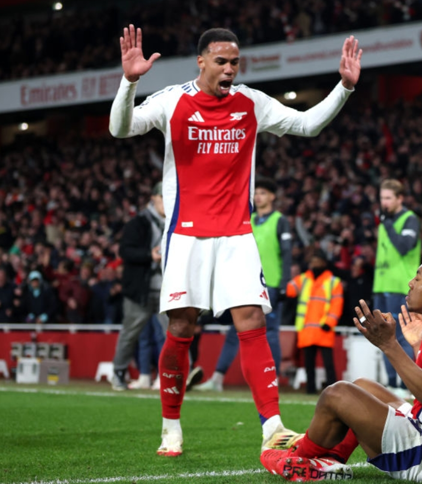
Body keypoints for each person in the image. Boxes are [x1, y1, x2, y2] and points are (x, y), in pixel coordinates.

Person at [109, 25, 361, 456]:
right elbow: (121, 128)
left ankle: (273, 426)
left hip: (236, 235)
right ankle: (171, 425)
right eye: (222, 61)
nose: (229, 69)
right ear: (202, 61)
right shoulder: (172, 100)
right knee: (182, 328)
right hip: (186, 237)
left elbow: (307, 125)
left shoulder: (251, 102)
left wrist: (344, 88)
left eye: (235, 63)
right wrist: (129, 82)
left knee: (251, 322)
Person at [260, 252, 422, 482]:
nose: (411, 283)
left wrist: (389, 345)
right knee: (363, 387)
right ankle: (330, 459)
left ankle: (298, 459)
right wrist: (418, 347)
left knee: (337, 394)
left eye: (419, 278)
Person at [195, 177, 293, 392]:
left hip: (271, 284)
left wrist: (285, 283)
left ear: (272, 197)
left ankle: (271, 381)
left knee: (271, 333)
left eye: (263, 193)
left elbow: (286, 254)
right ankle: (218, 379)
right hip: (246, 282)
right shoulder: (248, 219)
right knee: (235, 330)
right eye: (256, 193)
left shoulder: (279, 220)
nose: (258, 196)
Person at [110, 182, 169, 391]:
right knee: (130, 333)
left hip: (167, 290)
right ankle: (118, 372)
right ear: (153, 198)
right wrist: (149, 256)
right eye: (163, 196)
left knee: (175, 333)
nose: (166, 201)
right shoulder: (139, 223)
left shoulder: (177, 221)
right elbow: (125, 251)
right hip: (140, 290)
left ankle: (179, 375)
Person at [373, 178, 420, 396]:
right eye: (382, 198)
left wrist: (388, 224)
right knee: (383, 335)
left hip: (400, 286)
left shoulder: (409, 220)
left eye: (388, 198)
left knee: (401, 335)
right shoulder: (385, 221)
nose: (384, 202)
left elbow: (403, 247)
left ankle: (406, 384)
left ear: (400, 198)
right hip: (381, 285)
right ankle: (392, 384)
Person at [286, 250, 343, 394]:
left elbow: (337, 305)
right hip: (307, 330)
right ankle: (310, 390)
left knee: (328, 364)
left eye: (315, 260)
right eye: (311, 261)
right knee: (308, 364)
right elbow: (289, 290)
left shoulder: (332, 282)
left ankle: (334, 392)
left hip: (324, 329)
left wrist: (329, 322)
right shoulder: (304, 278)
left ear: (324, 262)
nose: (312, 263)